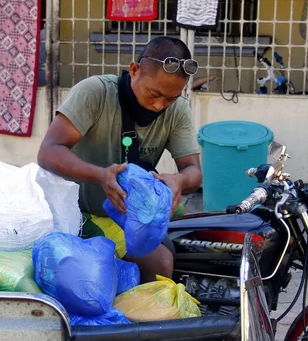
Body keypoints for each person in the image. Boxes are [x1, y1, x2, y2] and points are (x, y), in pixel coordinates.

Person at [37, 36, 202, 283]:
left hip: (131, 212)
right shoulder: (96, 93)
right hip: (81, 211)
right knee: (160, 263)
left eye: (170, 98)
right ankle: (143, 322)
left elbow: (193, 171)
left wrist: (179, 180)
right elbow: (49, 152)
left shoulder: (177, 111)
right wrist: (100, 176)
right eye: (154, 94)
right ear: (134, 70)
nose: (159, 105)